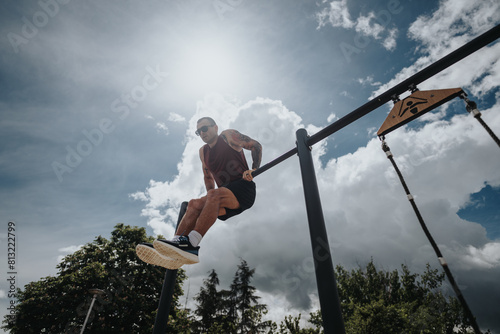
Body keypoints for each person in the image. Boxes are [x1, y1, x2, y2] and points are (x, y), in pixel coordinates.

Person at [136, 117, 262, 269]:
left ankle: (192, 245)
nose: (202, 133)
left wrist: (254, 170)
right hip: (223, 193)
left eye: (205, 129)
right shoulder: (203, 152)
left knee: (213, 195)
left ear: (215, 128)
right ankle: (176, 247)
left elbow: (255, 146)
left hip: (243, 189)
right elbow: (207, 176)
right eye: (198, 131)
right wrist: (210, 200)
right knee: (193, 204)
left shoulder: (228, 136)